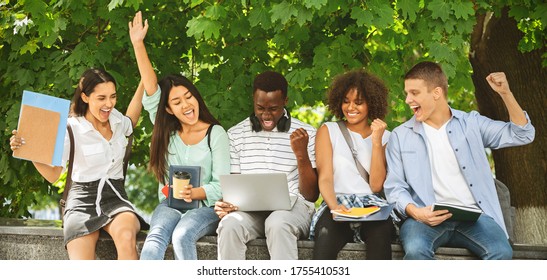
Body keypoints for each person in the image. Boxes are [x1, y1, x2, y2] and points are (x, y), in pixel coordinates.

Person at [384, 61, 535, 260]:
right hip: (423, 220)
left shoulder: (472, 123)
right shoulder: (400, 135)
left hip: (475, 218)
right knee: (415, 249)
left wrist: (506, 93)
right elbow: (395, 187)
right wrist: (417, 213)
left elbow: (522, 134)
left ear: (436, 93)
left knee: (501, 252)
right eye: (407, 93)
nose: (407, 99)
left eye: (414, 93)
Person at [10, 68, 147, 260]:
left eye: (113, 97)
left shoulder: (116, 118)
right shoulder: (70, 129)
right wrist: (30, 151)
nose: (109, 104)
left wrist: (144, 82)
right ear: (85, 97)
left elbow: (130, 122)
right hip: (81, 201)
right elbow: (54, 175)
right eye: (101, 98)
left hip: (115, 197)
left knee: (126, 238)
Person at [129, 11, 231, 260]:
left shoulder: (215, 134)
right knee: (155, 237)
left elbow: (221, 185)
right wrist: (138, 45)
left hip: (205, 208)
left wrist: (194, 193)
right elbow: (151, 89)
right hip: (171, 204)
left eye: (189, 96)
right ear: (168, 109)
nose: (186, 104)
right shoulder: (167, 132)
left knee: (182, 235)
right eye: (176, 101)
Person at [213, 70, 319, 260]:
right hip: (248, 212)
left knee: (277, 223)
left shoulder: (307, 133)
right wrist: (227, 203)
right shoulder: (236, 134)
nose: (266, 115)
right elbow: (234, 187)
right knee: (229, 225)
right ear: (253, 100)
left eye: (273, 109)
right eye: (260, 108)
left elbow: (311, 195)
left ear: (285, 101)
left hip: (292, 211)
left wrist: (301, 154)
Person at [310, 69, 394, 260]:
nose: (350, 107)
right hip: (337, 203)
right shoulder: (328, 130)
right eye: (346, 101)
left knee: (381, 240)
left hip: (372, 207)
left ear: (370, 103)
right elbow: (325, 177)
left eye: (358, 102)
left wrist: (376, 142)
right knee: (323, 244)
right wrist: (334, 207)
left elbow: (376, 185)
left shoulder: (386, 138)